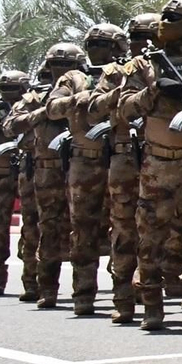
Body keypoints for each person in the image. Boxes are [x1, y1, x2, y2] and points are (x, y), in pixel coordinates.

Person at [117, 0, 182, 331]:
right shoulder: (144, 65)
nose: (165, 23)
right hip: (160, 159)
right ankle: (151, 305)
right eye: (164, 18)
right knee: (150, 235)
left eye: (174, 18)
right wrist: (154, 91)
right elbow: (124, 108)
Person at [48, 24, 129, 316]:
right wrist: (76, 99)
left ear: (118, 47)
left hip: (122, 157)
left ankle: (124, 297)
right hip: (86, 160)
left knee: (124, 229)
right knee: (83, 230)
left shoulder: (127, 72)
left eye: (103, 43)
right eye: (92, 43)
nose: (97, 48)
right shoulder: (74, 77)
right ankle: (83, 295)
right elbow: (52, 108)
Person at [86, 14, 158, 324]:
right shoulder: (117, 72)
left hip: (163, 155)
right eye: (137, 36)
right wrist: (124, 91)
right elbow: (93, 108)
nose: (142, 42)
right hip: (126, 155)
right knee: (124, 229)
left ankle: (171, 287)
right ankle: (124, 299)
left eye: (148, 35)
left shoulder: (165, 65)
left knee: (163, 226)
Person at [8, 43, 85, 308]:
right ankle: (45, 288)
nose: (61, 70)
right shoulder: (34, 97)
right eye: (56, 65)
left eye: (67, 65)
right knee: (47, 228)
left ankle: (84, 294)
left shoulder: (89, 89)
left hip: (86, 166)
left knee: (86, 230)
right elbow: (11, 125)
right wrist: (46, 112)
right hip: (47, 170)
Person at [0, 70, 35, 298]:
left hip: (29, 171)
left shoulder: (32, 105)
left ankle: (32, 281)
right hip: (0, 175)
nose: (10, 94)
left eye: (15, 90)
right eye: (6, 90)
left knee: (32, 227)